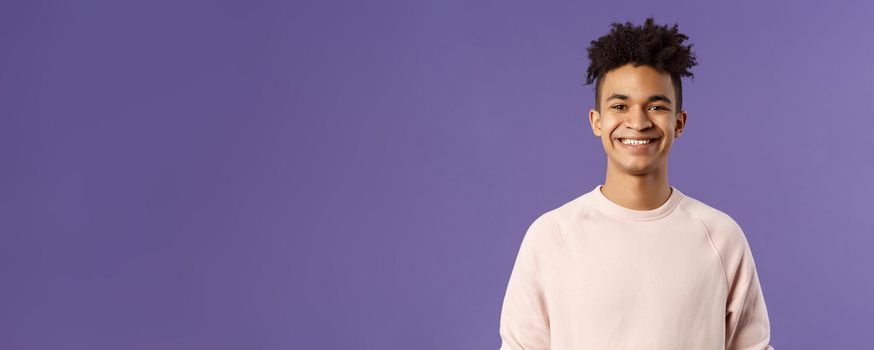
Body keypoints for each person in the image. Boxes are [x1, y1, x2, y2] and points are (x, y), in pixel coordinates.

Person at [498, 17, 774, 349]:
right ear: (596, 121)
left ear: (679, 122)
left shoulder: (721, 237)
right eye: (620, 106)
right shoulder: (551, 237)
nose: (638, 122)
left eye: (656, 106)